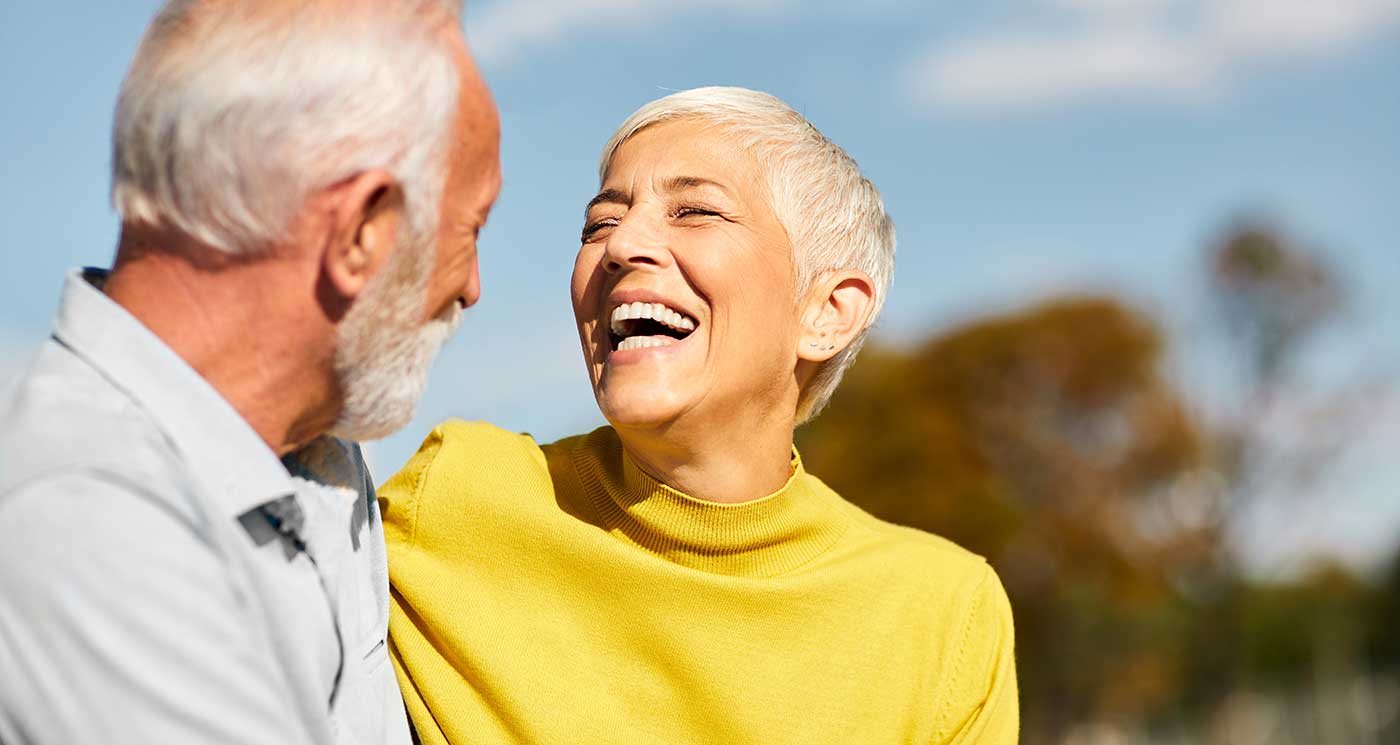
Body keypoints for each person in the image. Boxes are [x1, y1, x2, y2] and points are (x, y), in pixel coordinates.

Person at [382, 87, 1017, 745]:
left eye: (694, 211)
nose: (623, 243)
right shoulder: (455, 491)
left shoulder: (945, 612)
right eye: (600, 223)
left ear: (826, 311)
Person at [0, 1, 500, 744]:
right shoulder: (85, 523)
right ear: (361, 231)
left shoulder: (314, 447)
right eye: (471, 230)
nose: (472, 287)